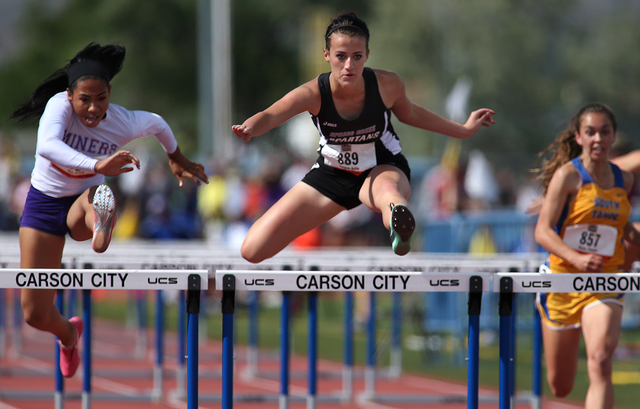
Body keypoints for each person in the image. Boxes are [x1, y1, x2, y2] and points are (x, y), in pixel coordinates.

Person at [9, 42, 208, 378]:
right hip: (43, 202)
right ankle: (69, 335)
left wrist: (176, 156)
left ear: (110, 93)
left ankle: (100, 219)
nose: (92, 108)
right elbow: (47, 146)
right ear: (70, 95)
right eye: (84, 99)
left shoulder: (122, 121)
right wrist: (98, 162)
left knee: (92, 198)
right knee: (34, 313)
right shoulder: (58, 107)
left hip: (82, 199)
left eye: (100, 98)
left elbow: (158, 123)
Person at [232, 12, 495, 261]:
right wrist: (250, 127)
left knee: (386, 190)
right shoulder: (313, 93)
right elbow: (272, 114)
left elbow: (412, 114)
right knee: (252, 250)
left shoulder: (386, 85)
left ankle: (399, 222)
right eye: (341, 56)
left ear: (367, 55)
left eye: (357, 56)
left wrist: (462, 129)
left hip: (382, 167)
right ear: (326, 55)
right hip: (332, 175)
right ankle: (391, 215)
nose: (349, 65)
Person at [532, 103, 640, 408]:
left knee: (601, 361)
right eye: (590, 132)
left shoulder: (624, 180)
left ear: (613, 137)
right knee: (561, 386)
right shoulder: (568, 177)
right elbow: (542, 232)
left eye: (604, 132)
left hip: (605, 281)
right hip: (563, 282)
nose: (598, 139)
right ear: (579, 137)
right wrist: (577, 259)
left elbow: (621, 228)